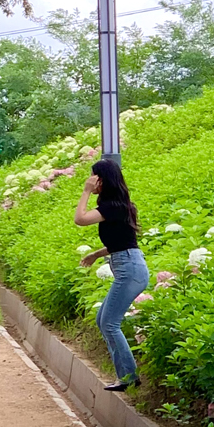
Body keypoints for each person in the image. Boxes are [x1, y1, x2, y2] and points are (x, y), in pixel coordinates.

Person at [73, 156, 148, 391]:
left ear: (103, 181)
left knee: (110, 323)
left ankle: (128, 376)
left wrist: (85, 192)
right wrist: (96, 254)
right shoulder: (119, 205)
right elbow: (122, 241)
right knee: (103, 321)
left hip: (129, 269)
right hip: (128, 264)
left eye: (95, 177)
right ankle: (125, 374)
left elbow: (80, 219)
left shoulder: (112, 207)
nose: (92, 181)